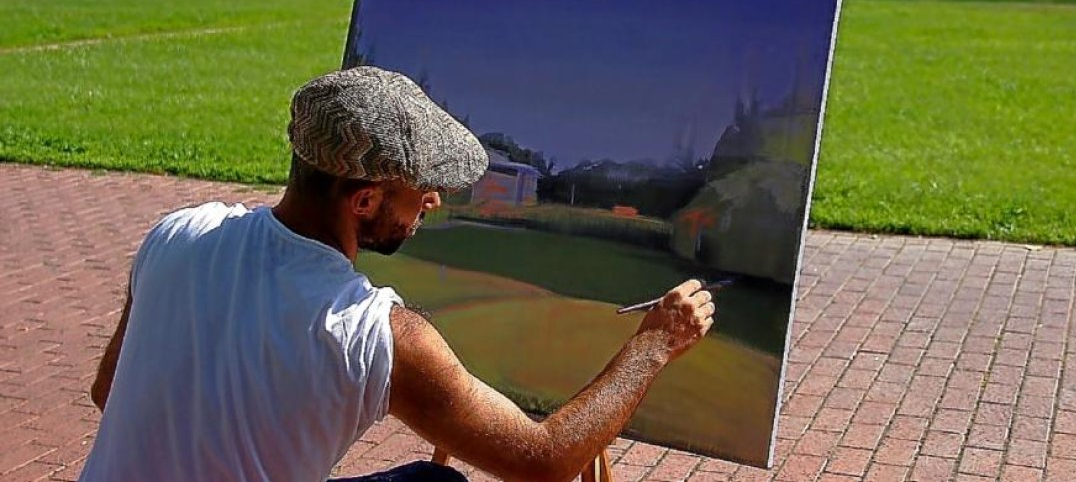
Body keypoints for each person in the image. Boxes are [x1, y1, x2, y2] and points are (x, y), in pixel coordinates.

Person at [80, 66, 716, 482]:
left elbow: (108, 392)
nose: (433, 202)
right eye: (422, 189)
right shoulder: (374, 332)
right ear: (364, 202)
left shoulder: (177, 232)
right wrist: (656, 344)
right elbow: (545, 459)